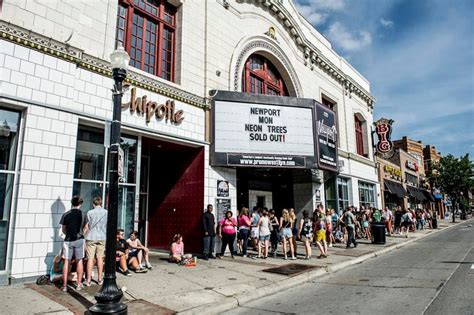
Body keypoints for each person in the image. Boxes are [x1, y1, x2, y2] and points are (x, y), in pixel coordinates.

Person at [59, 195, 87, 292]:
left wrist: (68, 234)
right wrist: (82, 233)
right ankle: (79, 284)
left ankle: (65, 285)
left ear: (72, 203)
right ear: (80, 204)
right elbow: (86, 227)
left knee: (67, 261)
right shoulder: (83, 214)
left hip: (68, 240)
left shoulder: (66, 214)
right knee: (80, 261)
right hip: (79, 239)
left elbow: (63, 229)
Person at [83, 196, 107, 287]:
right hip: (102, 236)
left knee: (90, 258)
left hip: (91, 237)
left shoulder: (90, 212)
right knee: (100, 258)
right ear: (101, 203)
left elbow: (86, 226)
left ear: (93, 204)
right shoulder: (106, 212)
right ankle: (100, 279)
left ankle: (88, 280)